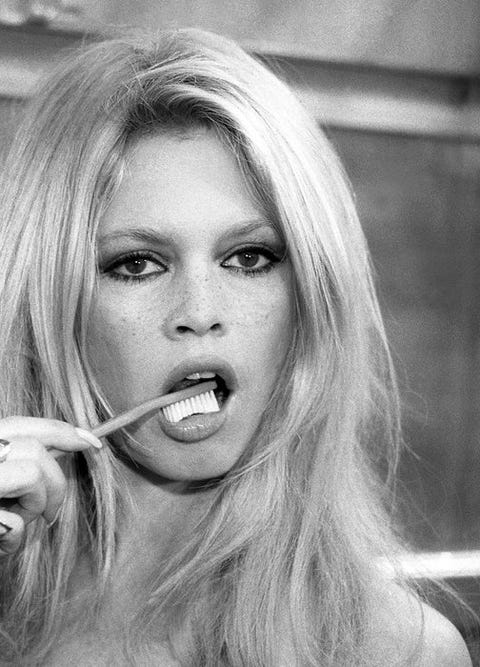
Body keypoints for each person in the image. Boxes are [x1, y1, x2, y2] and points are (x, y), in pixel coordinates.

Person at [0, 28, 472, 666]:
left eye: (249, 258)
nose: (199, 313)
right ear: (50, 305)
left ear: (310, 301)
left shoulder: (399, 652)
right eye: (136, 264)